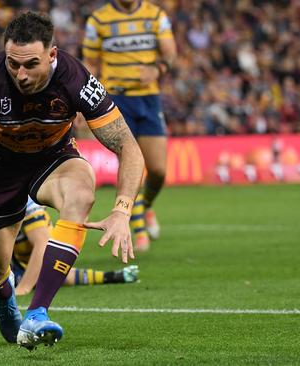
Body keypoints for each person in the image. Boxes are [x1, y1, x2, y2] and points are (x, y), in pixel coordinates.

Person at [0, 11, 144, 349]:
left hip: (52, 159)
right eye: (13, 64)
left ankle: (37, 313)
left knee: (81, 191)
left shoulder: (76, 79)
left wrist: (121, 209)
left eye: (31, 64)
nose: (21, 74)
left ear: (52, 54)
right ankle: (4, 298)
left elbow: (128, 147)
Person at [82, 0, 177, 250]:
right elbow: (90, 62)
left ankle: (145, 207)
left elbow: (170, 52)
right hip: (117, 99)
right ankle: (136, 225)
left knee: (158, 170)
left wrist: (159, 69)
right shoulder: (98, 19)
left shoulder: (155, 15)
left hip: (148, 98)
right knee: (132, 161)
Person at [0, 197, 140, 295]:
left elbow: (42, 244)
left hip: (37, 260)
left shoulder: (26, 200)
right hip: (10, 261)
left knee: (59, 275)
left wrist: (24, 287)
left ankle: (115, 276)